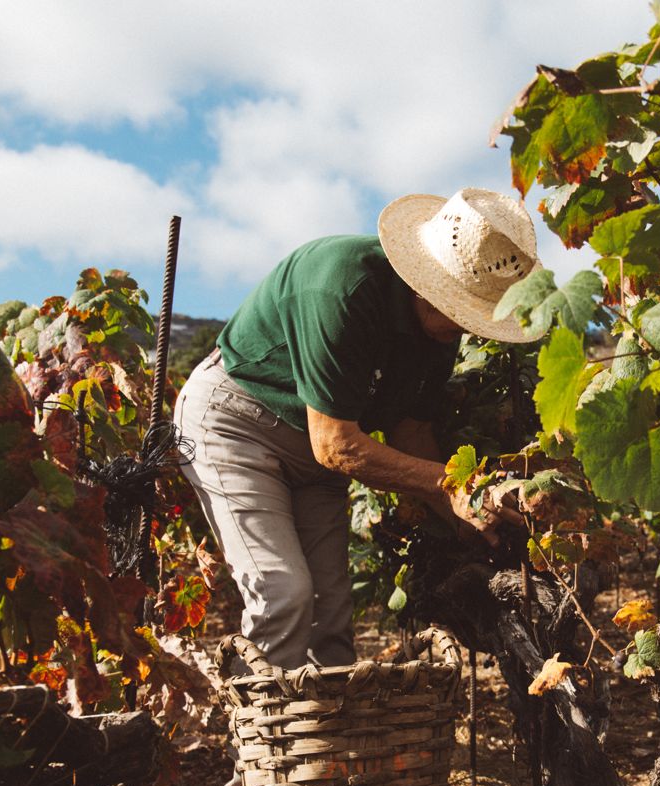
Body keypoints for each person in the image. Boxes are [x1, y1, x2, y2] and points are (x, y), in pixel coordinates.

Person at [173, 188, 540, 672]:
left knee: (330, 617)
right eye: (462, 307)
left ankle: (335, 745)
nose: (467, 325)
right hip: (237, 426)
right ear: (425, 283)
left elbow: (411, 433)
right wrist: (444, 484)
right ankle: (265, 745)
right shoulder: (342, 286)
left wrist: (470, 520)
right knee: (283, 595)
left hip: (318, 450)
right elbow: (335, 444)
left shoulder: (437, 331)